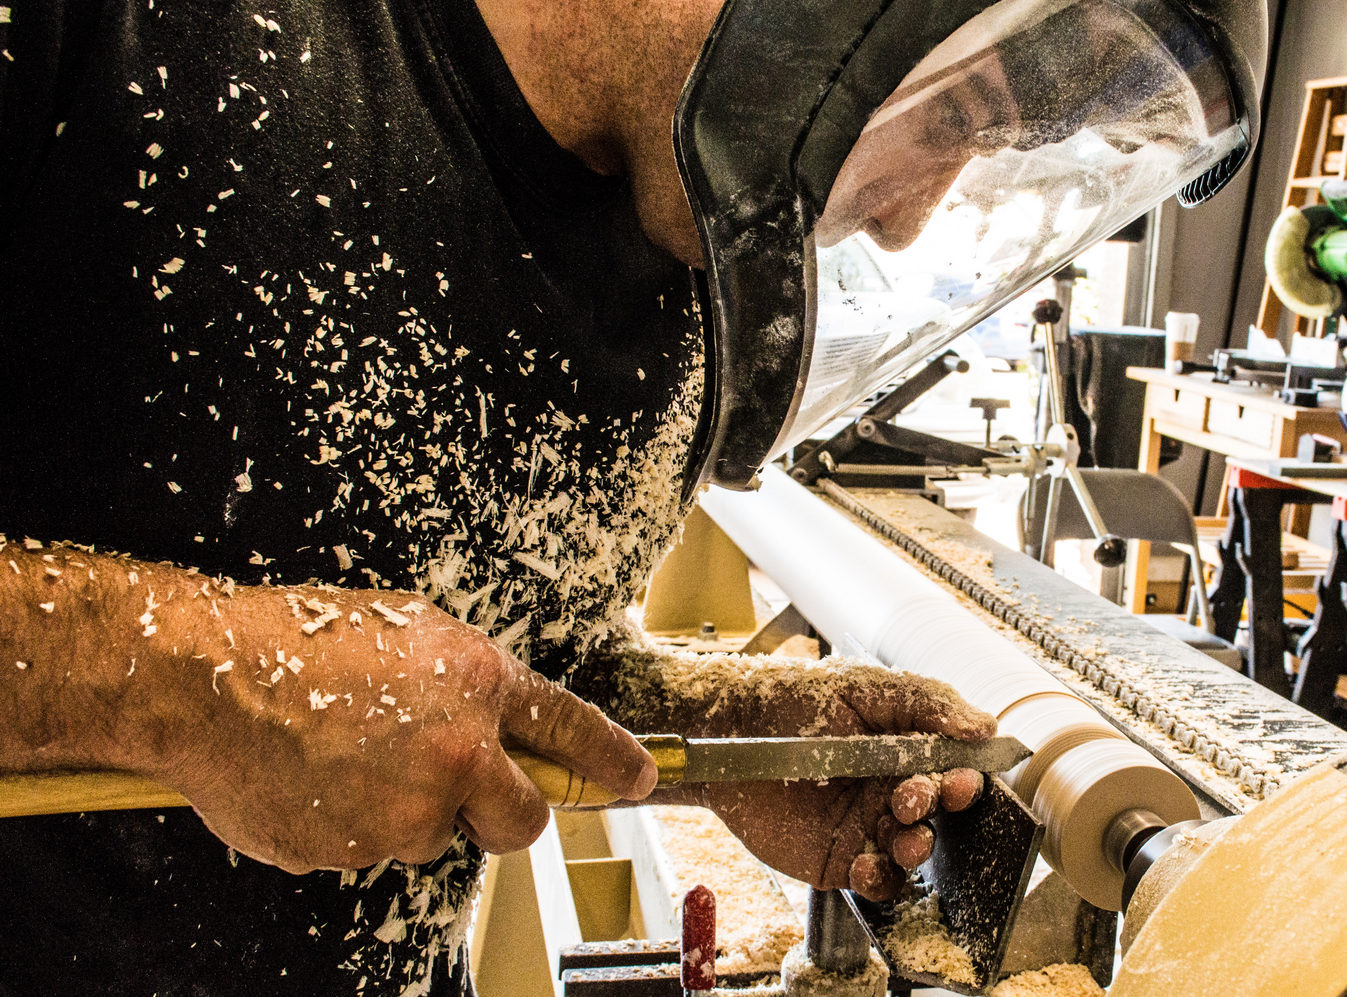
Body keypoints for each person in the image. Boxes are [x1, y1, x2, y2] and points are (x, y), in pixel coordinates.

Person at [0, 0, 998, 991]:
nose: (907, 221)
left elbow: (491, 648)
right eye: (946, 113)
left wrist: (721, 732)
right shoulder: (131, 39)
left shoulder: (682, 267)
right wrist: (210, 684)